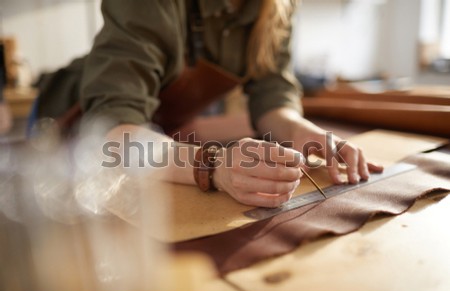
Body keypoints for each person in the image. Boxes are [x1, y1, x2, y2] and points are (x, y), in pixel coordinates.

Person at [78, 0, 383, 208]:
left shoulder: (274, 6)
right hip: (71, 142)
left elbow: (272, 92)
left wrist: (298, 131)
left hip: (157, 142)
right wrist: (212, 166)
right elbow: (112, 139)